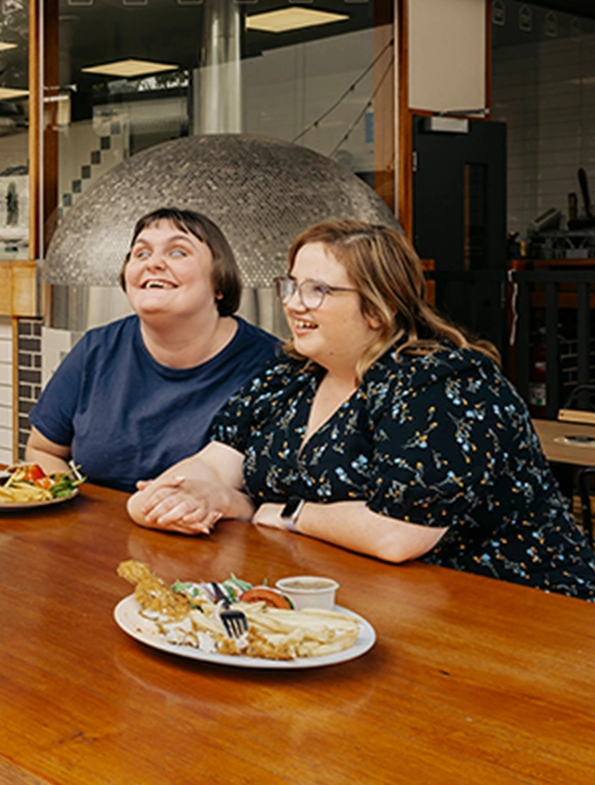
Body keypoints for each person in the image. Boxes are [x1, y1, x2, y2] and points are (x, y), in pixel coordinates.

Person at [129, 219, 595, 600]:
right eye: (290, 285)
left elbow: (398, 537)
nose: (293, 304)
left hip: (519, 610)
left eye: (317, 291)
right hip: (372, 601)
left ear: (378, 307)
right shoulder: (290, 375)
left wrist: (282, 511)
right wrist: (186, 496)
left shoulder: (443, 381)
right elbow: (215, 461)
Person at [26, 208, 278, 491]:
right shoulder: (94, 350)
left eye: (178, 252)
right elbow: (43, 451)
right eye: (141, 254)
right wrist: (80, 514)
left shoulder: (274, 367)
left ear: (219, 281)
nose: (154, 263)